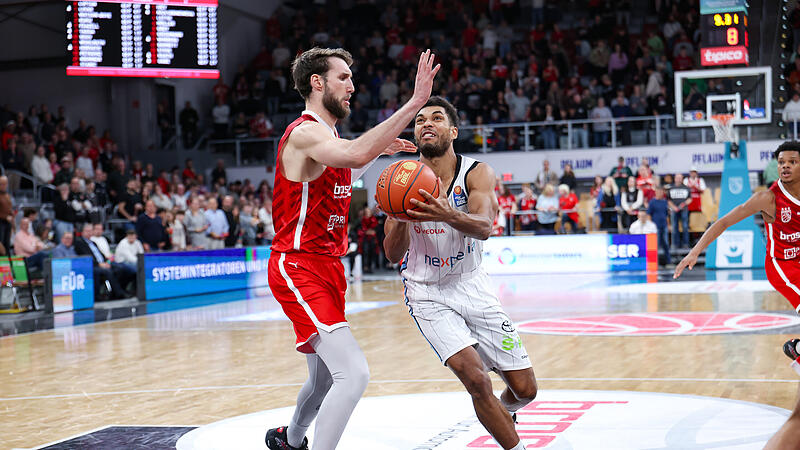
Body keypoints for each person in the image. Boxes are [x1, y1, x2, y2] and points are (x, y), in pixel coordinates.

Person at [265, 47, 435, 450]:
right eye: (343, 77)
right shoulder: (305, 132)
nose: (352, 86)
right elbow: (356, 154)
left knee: (324, 379)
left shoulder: (331, 138)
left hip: (329, 267)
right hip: (298, 265)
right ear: (316, 83)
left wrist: (379, 149)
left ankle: (288, 440)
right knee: (353, 374)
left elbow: (349, 164)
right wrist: (415, 103)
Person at [383, 97, 536, 450]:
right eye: (420, 120)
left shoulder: (476, 172)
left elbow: (484, 227)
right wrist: (403, 217)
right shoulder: (400, 178)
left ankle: (504, 413)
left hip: (471, 284)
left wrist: (446, 213)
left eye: (437, 118)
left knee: (525, 390)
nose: (426, 124)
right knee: (477, 381)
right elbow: (392, 254)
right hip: (426, 292)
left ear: (453, 131)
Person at [675, 142, 800, 449]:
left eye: (792, 162)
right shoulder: (768, 198)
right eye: (781, 162)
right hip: (782, 265)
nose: (785, 166)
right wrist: (696, 250)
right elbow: (724, 221)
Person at [74, 223, 132, 299]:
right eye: (87, 231)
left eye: (90, 231)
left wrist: (107, 262)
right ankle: (119, 294)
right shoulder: (79, 243)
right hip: (92, 266)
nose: (89, 233)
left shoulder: (93, 243)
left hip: (103, 263)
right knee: (107, 271)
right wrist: (99, 264)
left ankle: (116, 292)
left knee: (121, 268)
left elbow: (101, 255)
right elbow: (86, 257)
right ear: (82, 232)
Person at [667, 173, 691, 248]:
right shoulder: (671, 188)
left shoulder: (686, 188)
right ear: (675, 179)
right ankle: (675, 244)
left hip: (684, 210)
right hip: (674, 210)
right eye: (677, 178)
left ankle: (685, 244)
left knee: (685, 227)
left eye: (680, 178)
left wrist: (683, 205)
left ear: (682, 179)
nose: (679, 179)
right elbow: (668, 200)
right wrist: (674, 207)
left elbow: (690, 199)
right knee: (674, 227)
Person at [648, 187, 670, 264]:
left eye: (661, 192)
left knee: (666, 244)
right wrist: (650, 225)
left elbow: (667, 214)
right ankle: (654, 261)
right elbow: (649, 214)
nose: (660, 193)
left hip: (664, 225)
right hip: (655, 226)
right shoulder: (652, 202)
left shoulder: (665, 202)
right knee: (656, 245)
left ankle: (668, 261)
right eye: (659, 192)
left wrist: (668, 225)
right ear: (656, 192)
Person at [0, 176, 11, 253]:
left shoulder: (7, 195)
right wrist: (5, 217)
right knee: (1, 243)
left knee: (7, 244)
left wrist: (12, 213)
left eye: (5, 184)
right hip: (0, 222)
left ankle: (7, 262)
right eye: (2, 184)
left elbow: (8, 208)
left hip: (8, 222)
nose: (4, 186)